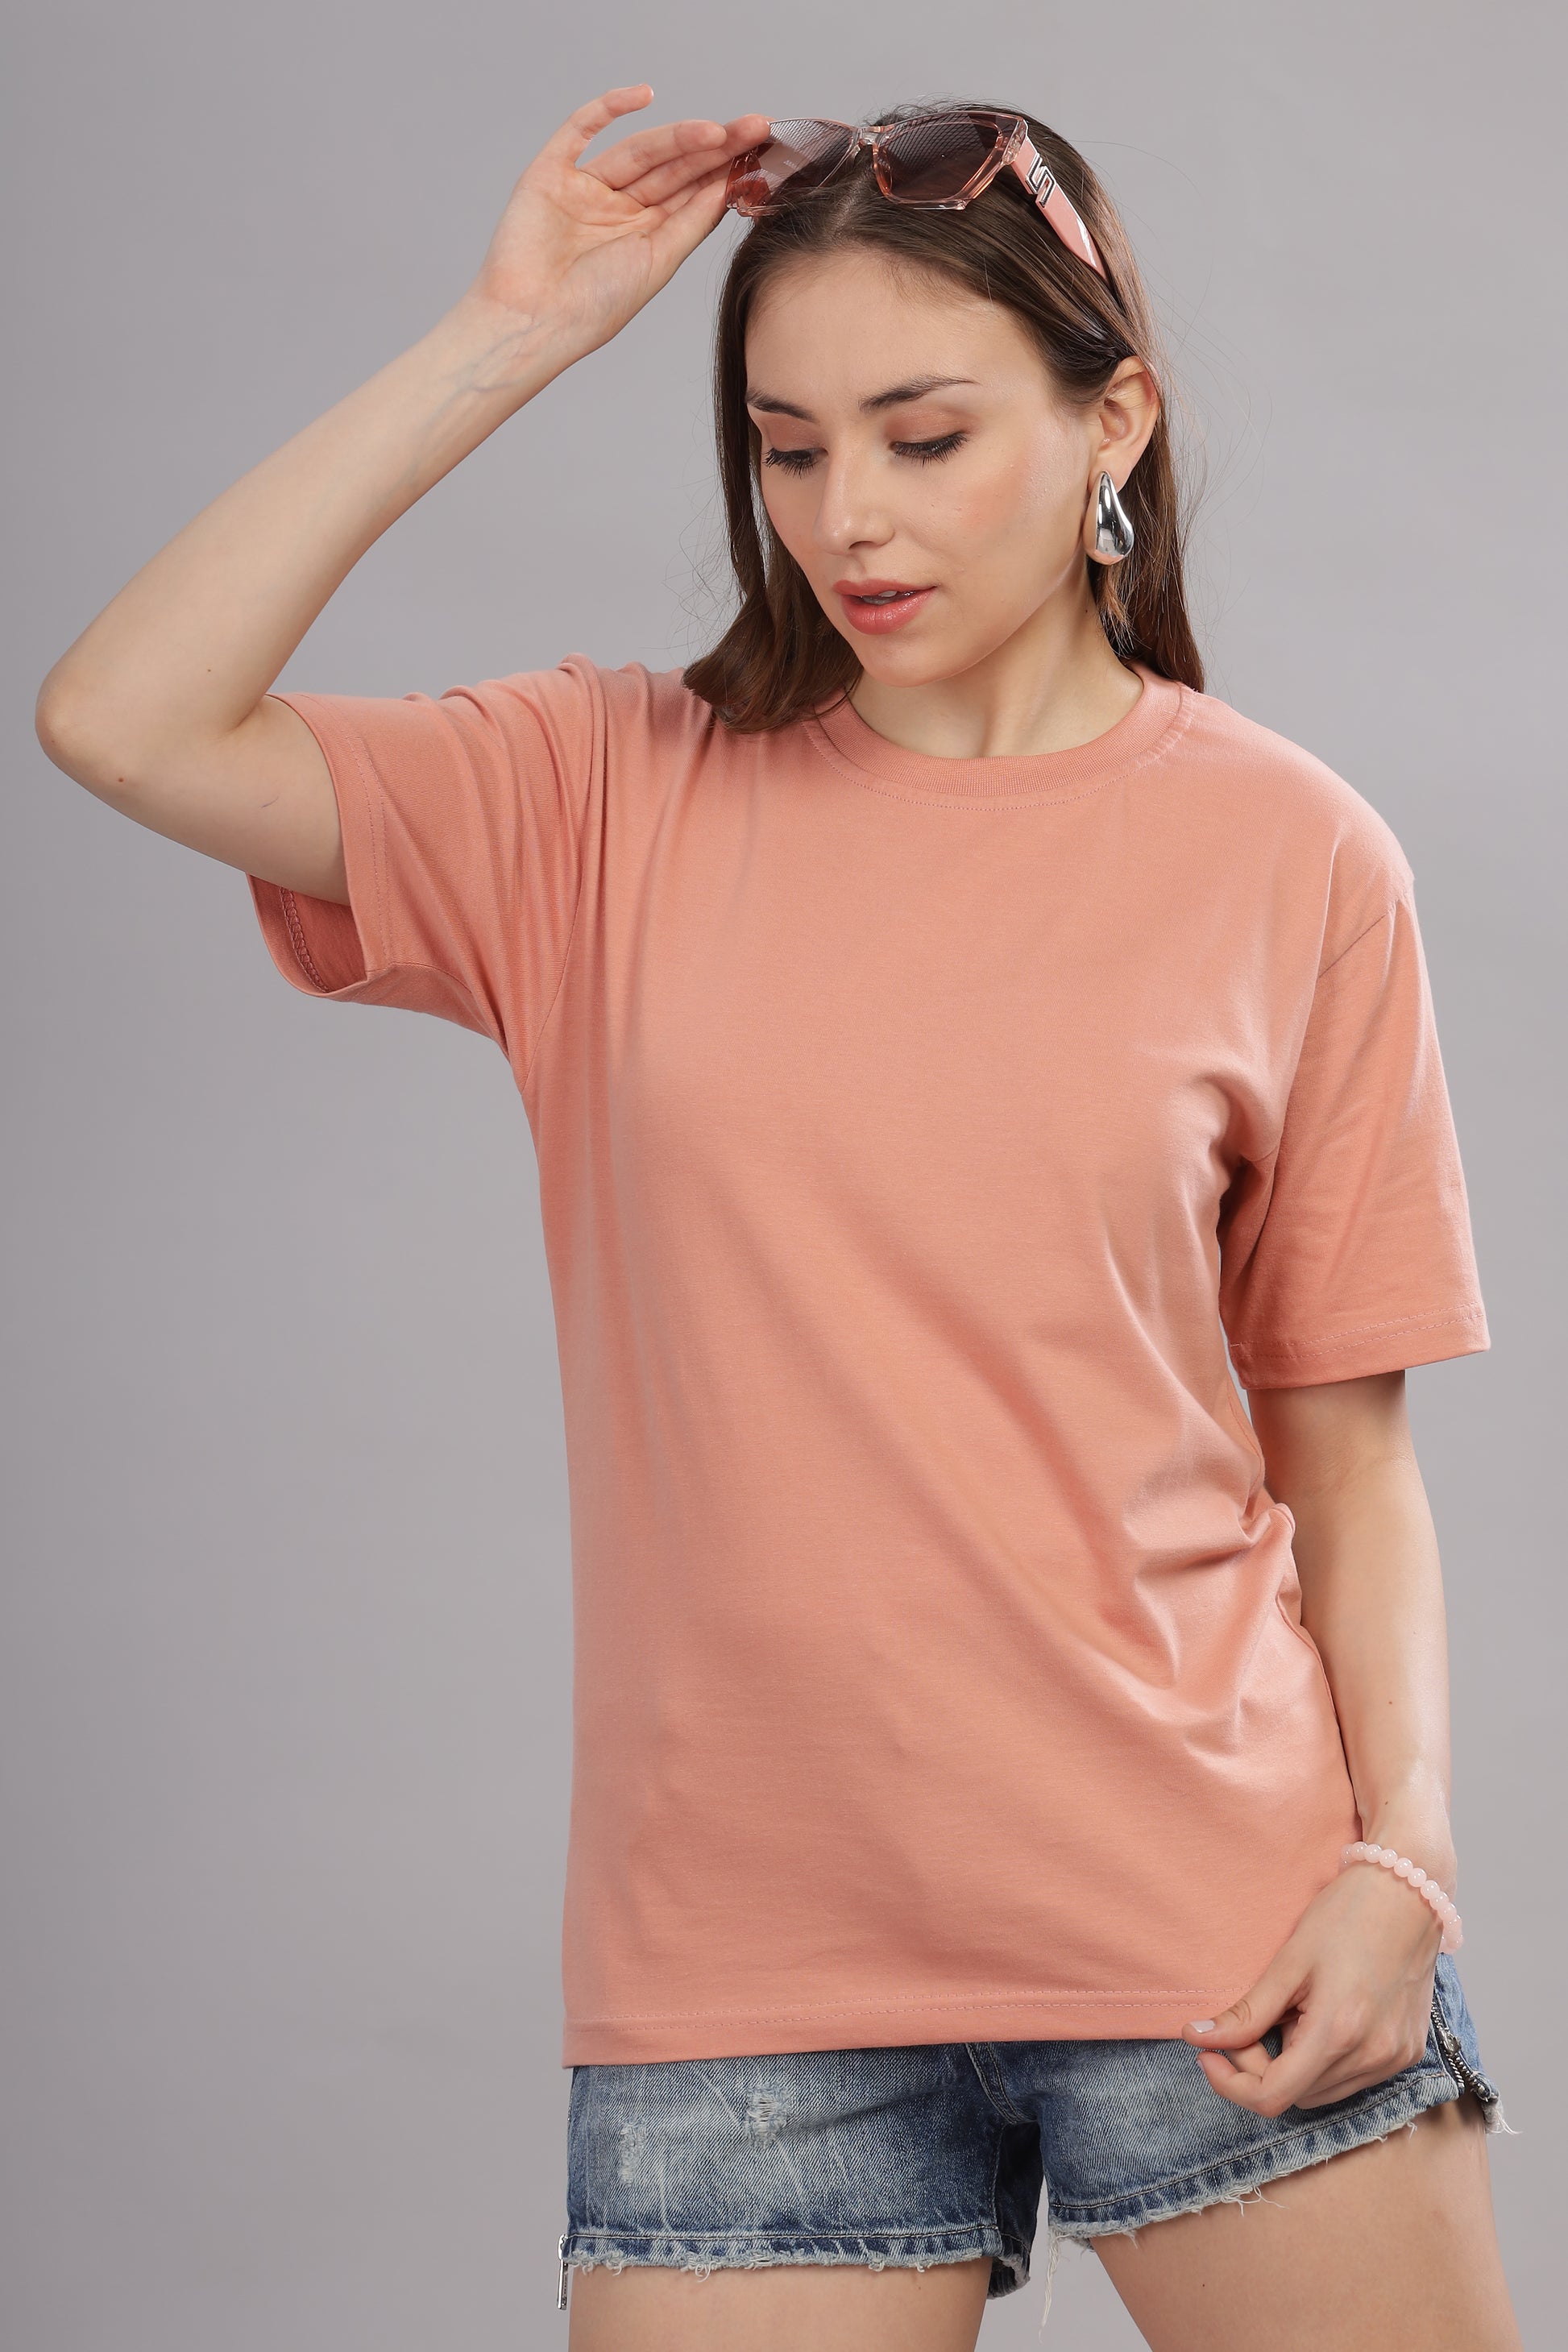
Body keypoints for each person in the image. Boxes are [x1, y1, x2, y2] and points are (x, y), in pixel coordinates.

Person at [35, 82, 1521, 2352]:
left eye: (925, 437)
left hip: (1221, 1913)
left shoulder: (1294, 857)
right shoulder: (596, 797)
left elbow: (1345, 1444)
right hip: (744, 1978)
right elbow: (121, 717)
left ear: (1111, 419)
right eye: (788, 446)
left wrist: (1401, 1857)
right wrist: (510, 334)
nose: (850, 518)